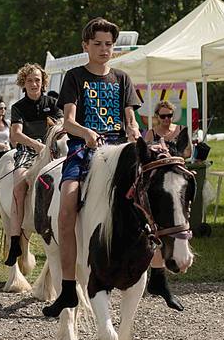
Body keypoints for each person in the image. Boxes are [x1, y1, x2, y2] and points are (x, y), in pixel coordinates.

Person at [43, 17, 143, 317]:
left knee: (153, 196)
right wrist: (85, 133)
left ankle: (157, 273)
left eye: (109, 45)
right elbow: (69, 122)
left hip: (118, 150)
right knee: (66, 205)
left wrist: (135, 132)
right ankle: (69, 288)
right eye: (97, 44)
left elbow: (131, 119)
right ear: (85, 46)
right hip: (82, 151)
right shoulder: (74, 77)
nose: (104, 49)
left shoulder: (123, 78)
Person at [3, 64, 62, 267]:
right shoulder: (18, 107)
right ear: (23, 83)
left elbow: (61, 127)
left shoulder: (54, 103)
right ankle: (14, 242)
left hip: (53, 150)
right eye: (30, 80)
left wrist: (49, 145)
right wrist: (37, 145)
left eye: (37, 80)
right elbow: (15, 134)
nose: (34, 83)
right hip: (28, 151)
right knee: (19, 187)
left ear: (43, 82)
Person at [139, 99, 191, 310]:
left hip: (175, 178)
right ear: (157, 116)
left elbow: (186, 154)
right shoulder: (150, 134)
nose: (167, 119)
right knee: (157, 226)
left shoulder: (180, 131)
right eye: (163, 116)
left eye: (169, 115)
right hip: (158, 181)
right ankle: (158, 277)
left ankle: (159, 277)